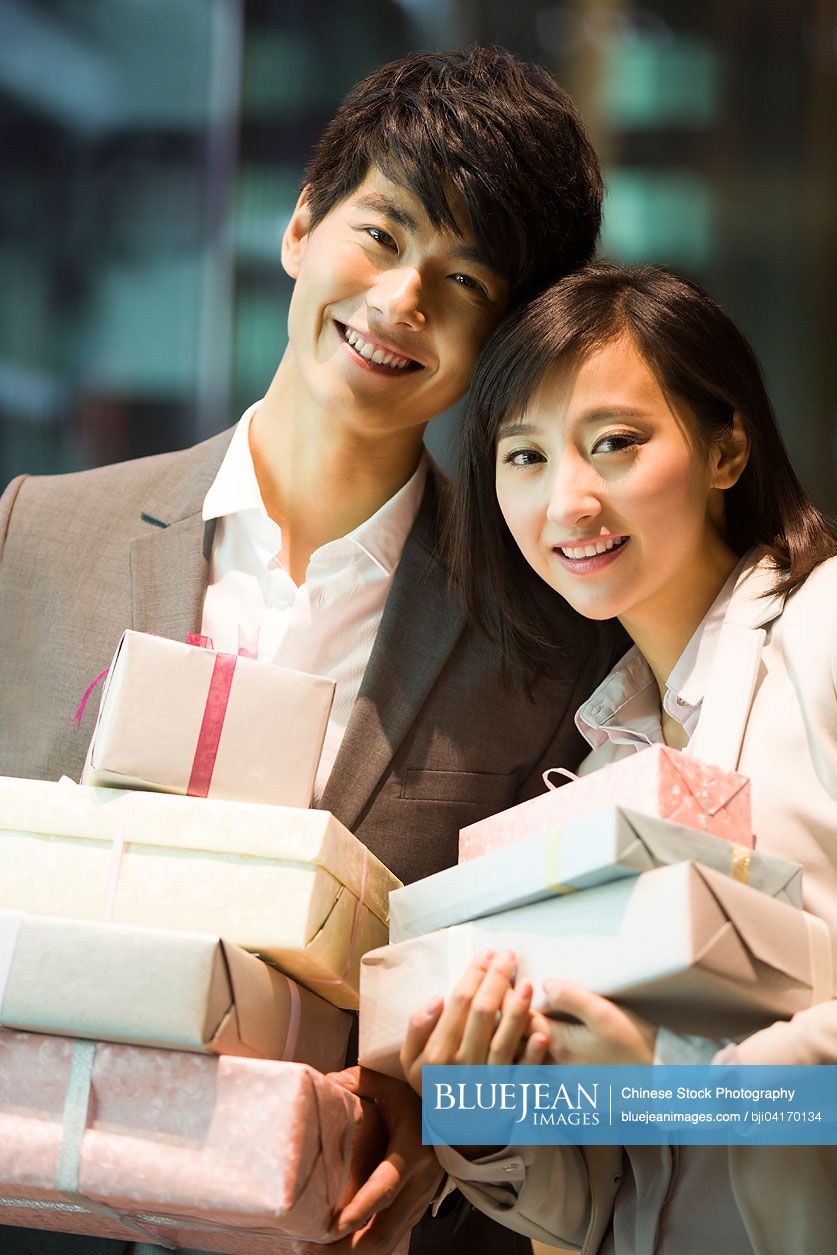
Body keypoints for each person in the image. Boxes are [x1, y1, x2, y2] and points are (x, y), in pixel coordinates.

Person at [0, 46, 617, 1255]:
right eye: (381, 235)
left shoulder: (545, 656)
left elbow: (556, 1033)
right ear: (297, 225)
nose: (400, 302)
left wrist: (433, 1109)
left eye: (466, 278)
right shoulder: (32, 535)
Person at [399, 262, 837, 1254]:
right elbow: (594, 1203)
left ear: (728, 445)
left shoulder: (825, 630)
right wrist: (483, 1112)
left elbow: (668, 1099)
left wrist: (688, 1089)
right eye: (526, 457)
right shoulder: (595, 774)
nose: (571, 501)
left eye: (617, 443)